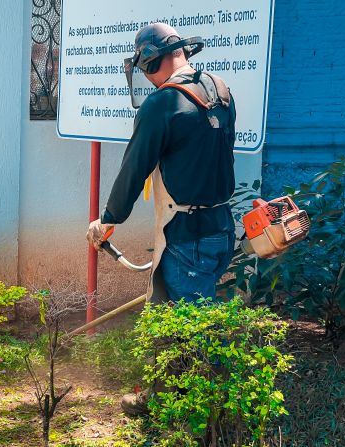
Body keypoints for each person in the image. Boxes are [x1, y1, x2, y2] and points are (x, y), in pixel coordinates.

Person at [85, 22, 237, 416]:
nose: (147, 79)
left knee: (193, 329)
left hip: (188, 235)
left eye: (145, 67)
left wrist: (108, 220)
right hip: (222, 226)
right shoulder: (220, 90)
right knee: (178, 315)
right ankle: (166, 397)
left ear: (151, 60)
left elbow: (135, 167)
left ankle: (206, 414)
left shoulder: (163, 103)